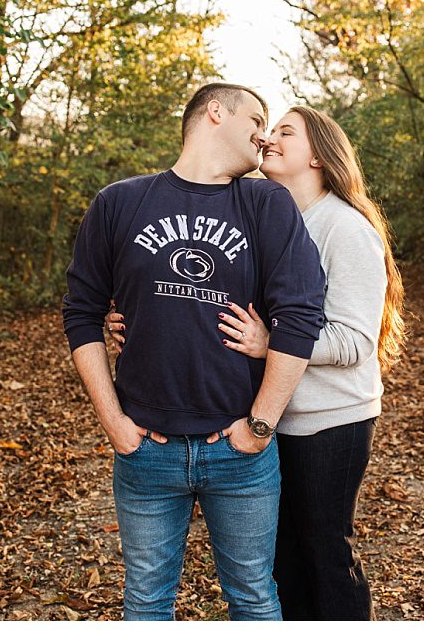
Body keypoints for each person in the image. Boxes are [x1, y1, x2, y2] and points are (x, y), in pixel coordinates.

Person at [108, 105, 405, 620]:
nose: (268, 138)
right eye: (268, 129)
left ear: (319, 156)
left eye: (285, 132)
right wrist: (134, 319)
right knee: (284, 556)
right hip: (272, 416)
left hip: (328, 419)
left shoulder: (344, 227)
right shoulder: (266, 214)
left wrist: (275, 344)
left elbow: (356, 343)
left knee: (326, 549)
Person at [61, 84, 327, 621]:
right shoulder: (119, 202)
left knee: (253, 596)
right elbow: (82, 314)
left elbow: (300, 315)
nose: (262, 133)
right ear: (214, 113)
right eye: (256, 117)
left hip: (238, 453)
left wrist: (259, 426)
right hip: (146, 453)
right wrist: (113, 421)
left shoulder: (263, 203)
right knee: (146, 601)